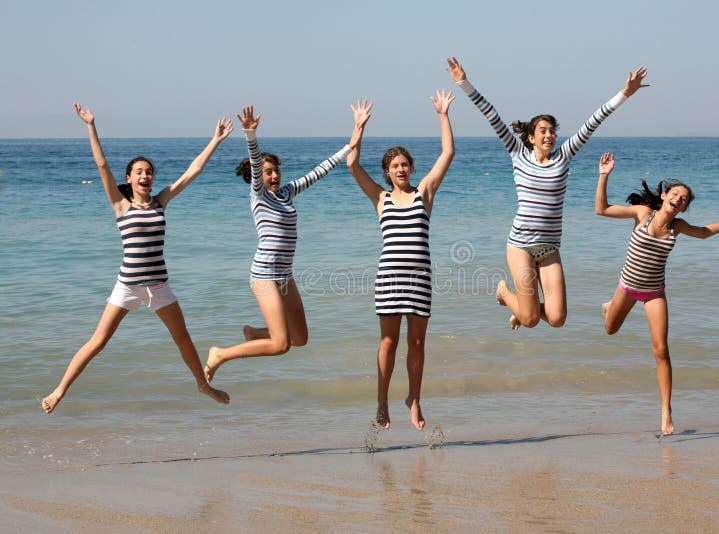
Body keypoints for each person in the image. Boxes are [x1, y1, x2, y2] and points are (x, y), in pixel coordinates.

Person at [41, 103, 232, 414]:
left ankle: (202, 384)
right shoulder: (120, 206)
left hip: (159, 285)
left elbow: (193, 171)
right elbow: (102, 165)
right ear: (129, 178)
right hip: (127, 285)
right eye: (139, 171)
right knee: (98, 342)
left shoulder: (161, 201)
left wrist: (215, 140)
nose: (145, 175)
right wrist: (91, 125)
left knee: (183, 338)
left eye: (149, 172)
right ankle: (60, 390)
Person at [446, 57, 648, 330]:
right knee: (530, 320)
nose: (549, 135)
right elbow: (491, 115)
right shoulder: (517, 154)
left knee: (556, 319)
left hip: (550, 247)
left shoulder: (564, 156)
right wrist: (463, 83)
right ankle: (506, 295)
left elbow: (594, 121)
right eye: (543, 131)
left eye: (552, 131)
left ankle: (522, 306)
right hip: (520, 245)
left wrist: (625, 93)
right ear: (530, 137)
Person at [203, 105, 368, 381]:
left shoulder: (287, 193)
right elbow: (255, 164)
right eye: (268, 172)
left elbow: (320, 171)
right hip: (264, 275)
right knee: (280, 345)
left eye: (276, 170)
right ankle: (220, 354)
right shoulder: (260, 196)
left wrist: (355, 134)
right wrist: (250, 135)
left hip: (285, 276)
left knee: (299, 338)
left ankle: (255, 333)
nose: (274, 176)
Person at [595, 151, 719, 435]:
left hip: (654, 293)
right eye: (675, 193)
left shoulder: (678, 227)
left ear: (683, 208)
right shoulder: (642, 214)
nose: (679, 198)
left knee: (661, 349)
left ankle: (666, 411)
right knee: (610, 329)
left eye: (684, 199)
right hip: (627, 288)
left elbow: (705, 232)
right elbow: (601, 209)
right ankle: (610, 305)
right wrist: (604, 176)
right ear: (664, 196)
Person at [347, 92, 455, 430]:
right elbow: (351, 163)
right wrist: (358, 127)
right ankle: (382, 401)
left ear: (411, 168)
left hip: (420, 280)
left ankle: (414, 399)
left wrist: (443, 115)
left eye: (405, 164)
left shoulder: (424, 193)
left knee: (418, 342)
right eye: (395, 166)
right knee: (388, 342)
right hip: (390, 280)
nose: (401, 169)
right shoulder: (380, 197)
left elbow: (448, 153)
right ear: (388, 172)